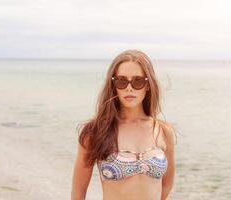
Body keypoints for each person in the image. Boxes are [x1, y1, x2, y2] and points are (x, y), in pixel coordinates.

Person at [71, 49, 177, 200]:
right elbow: (78, 191)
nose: (129, 87)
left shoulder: (164, 132)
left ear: (148, 85)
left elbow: (167, 184)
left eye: (137, 81)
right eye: (121, 81)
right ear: (113, 85)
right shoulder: (94, 132)